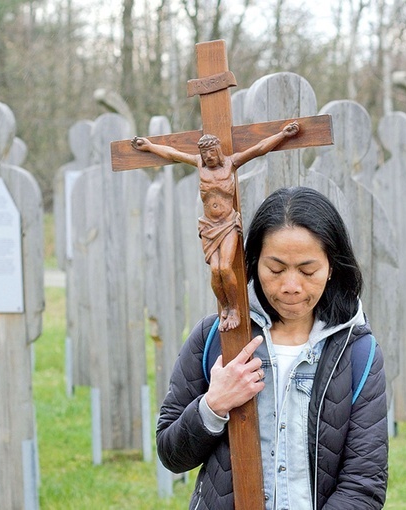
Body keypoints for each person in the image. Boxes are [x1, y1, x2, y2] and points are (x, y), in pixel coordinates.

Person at [156, 186, 389, 509]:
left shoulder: (358, 353)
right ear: (252, 263)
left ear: (332, 266)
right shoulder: (213, 337)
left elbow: (364, 483)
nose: (291, 287)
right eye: (275, 269)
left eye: (308, 271)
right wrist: (213, 405)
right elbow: (171, 454)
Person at [131, 122, 300, 331]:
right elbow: (172, 154)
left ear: (218, 150)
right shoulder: (199, 164)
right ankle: (226, 308)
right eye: (205, 153)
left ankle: (236, 308)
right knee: (215, 271)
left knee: (225, 267)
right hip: (209, 225)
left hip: (228, 223)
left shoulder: (231, 163)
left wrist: (282, 134)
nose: (209, 157)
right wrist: (149, 146)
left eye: (212, 152)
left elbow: (259, 148)